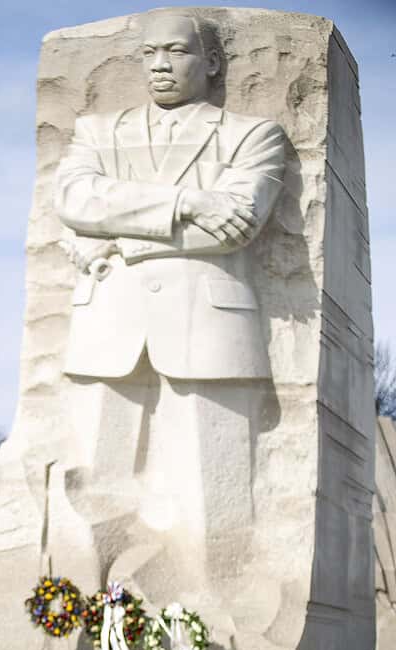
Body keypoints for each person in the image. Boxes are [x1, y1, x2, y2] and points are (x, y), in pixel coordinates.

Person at [51, 11, 287, 581]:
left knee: (217, 496)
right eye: (150, 52)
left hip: (210, 331)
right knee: (93, 493)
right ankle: (92, 611)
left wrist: (115, 235)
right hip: (108, 329)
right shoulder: (97, 133)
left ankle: (220, 618)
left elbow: (239, 224)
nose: (160, 64)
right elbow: (75, 200)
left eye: (176, 52)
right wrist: (189, 201)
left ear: (210, 62)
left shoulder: (252, 136)